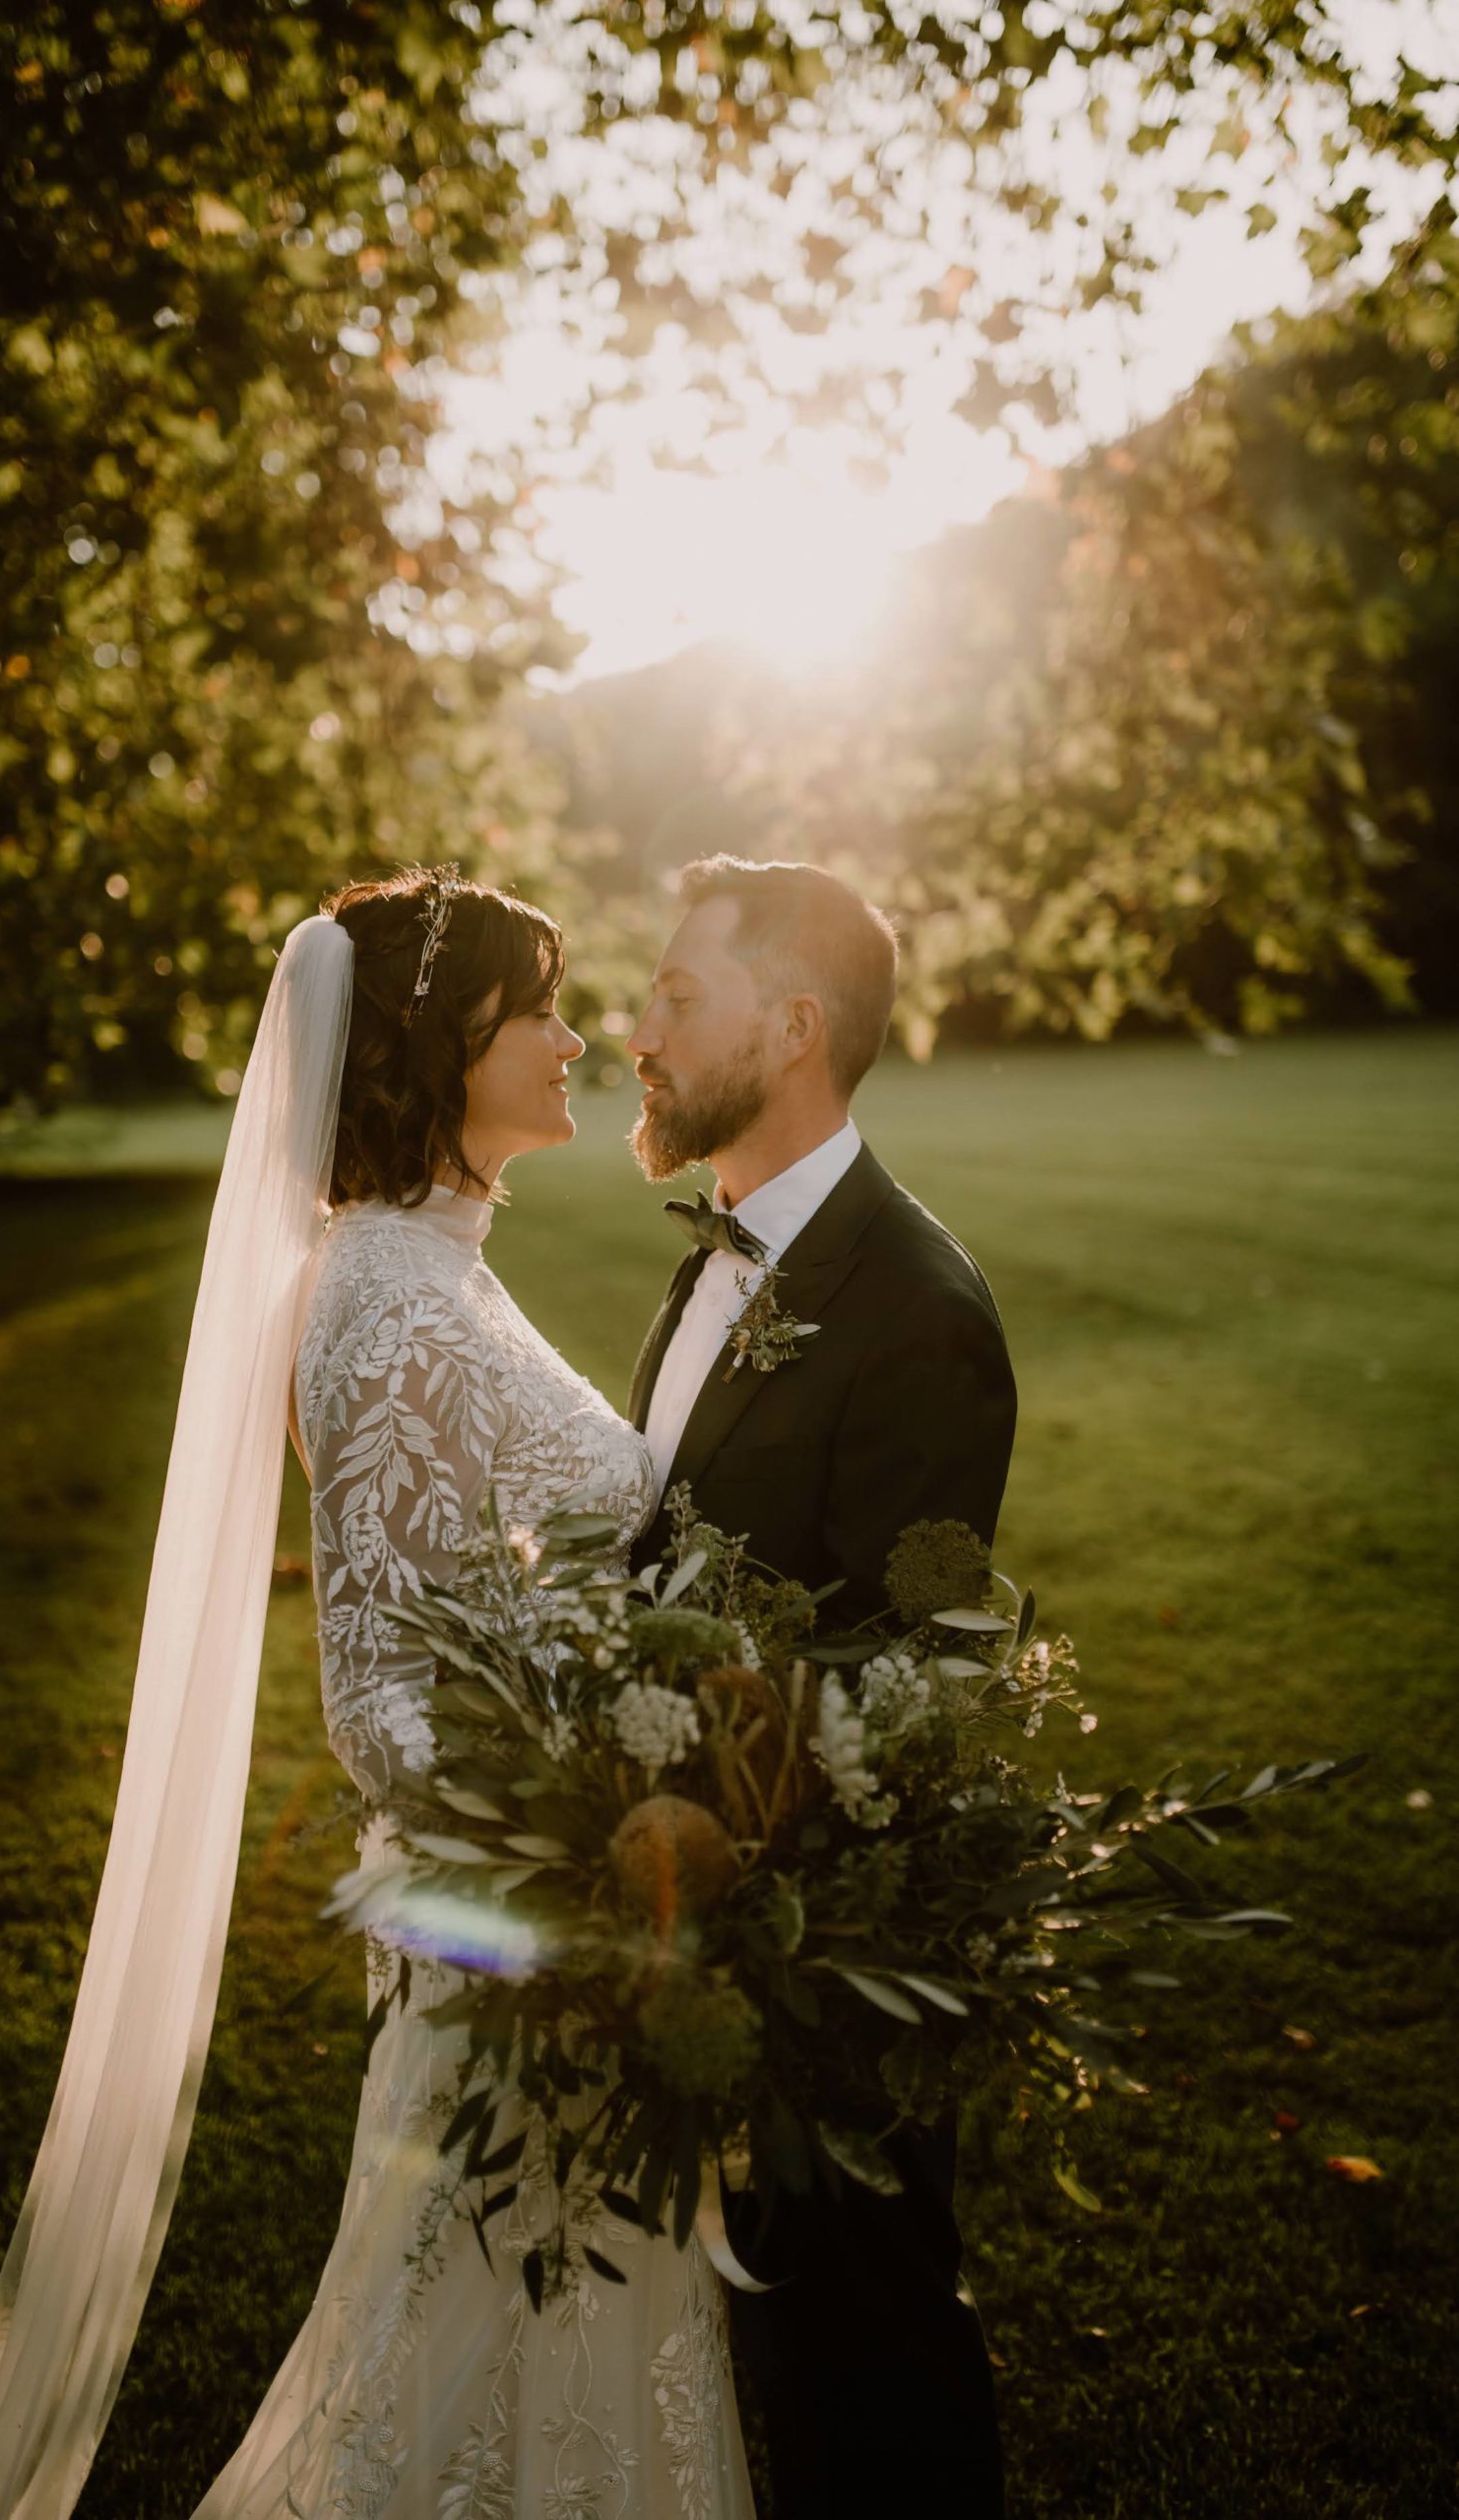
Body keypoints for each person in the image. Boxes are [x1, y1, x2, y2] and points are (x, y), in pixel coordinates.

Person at [0, 867, 754, 2520]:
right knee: (457, 2377)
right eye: (540, 1014)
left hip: (560, 1937)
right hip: (524, 1948)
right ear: (443, 1049)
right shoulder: (378, 1300)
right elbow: (380, 1694)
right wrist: (598, 1828)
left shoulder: (433, 1265)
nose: (578, 1039)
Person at [625, 853, 1017, 2520]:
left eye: (673, 996)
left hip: (839, 1948)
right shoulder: (718, 1247)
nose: (636, 1032)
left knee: (873, 2352)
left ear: (790, 1029)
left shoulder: (917, 1308)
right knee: (769, 2341)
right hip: (704, 1913)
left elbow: (912, 1678)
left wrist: (677, 1794)